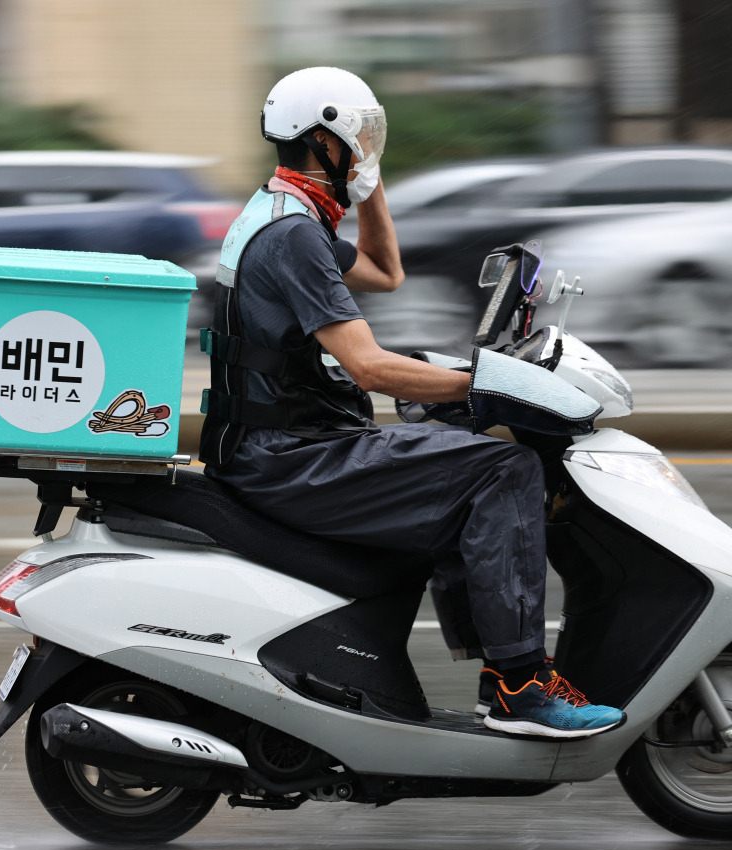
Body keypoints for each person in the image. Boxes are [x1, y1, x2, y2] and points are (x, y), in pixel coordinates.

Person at [199, 66, 623, 739]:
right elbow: (368, 367)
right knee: (503, 469)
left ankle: (500, 670)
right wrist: (495, 381)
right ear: (325, 139)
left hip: (278, 443)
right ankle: (518, 684)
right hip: (291, 456)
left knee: (460, 460)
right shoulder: (294, 236)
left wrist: (367, 183)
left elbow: (386, 272)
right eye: (362, 136)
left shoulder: (283, 211)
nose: (372, 146)